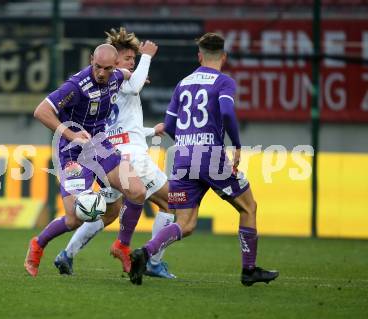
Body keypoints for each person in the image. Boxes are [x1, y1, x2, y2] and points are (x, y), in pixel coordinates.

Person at [128, 33, 279, 286]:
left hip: (183, 156)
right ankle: (249, 270)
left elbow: (168, 125)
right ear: (224, 57)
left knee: (185, 224)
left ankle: (145, 252)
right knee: (248, 207)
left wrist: (185, 142)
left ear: (199, 56)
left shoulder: (183, 83)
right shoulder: (224, 82)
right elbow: (228, 111)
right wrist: (237, 145)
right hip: (211, 155)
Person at [54, 27, 176, 279]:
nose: (132, 63)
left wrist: (152, 130)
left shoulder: (106, 86)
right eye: (128, 59)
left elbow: (122, 126)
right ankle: (152, 260)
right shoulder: (119, 81)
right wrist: (146, 58)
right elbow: (134, 87)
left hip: (111, 153)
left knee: (109, 211)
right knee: (170, 202)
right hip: (128, 155)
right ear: (114, 61)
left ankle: (67, 253)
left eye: (134, 59)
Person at [24, 43, 147, 277]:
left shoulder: (115, 76)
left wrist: (136, 76)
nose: (101, 73)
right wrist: (71, 134)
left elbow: (127, 74)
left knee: (137, 191)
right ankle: (38, 244)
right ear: (91, 60)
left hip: (99, 145)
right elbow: (41, 111)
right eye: (97, 67)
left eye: (107, 68)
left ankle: (122, 246)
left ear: (114, 66)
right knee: (74, 218)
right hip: (71, 150)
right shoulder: (76, 86)